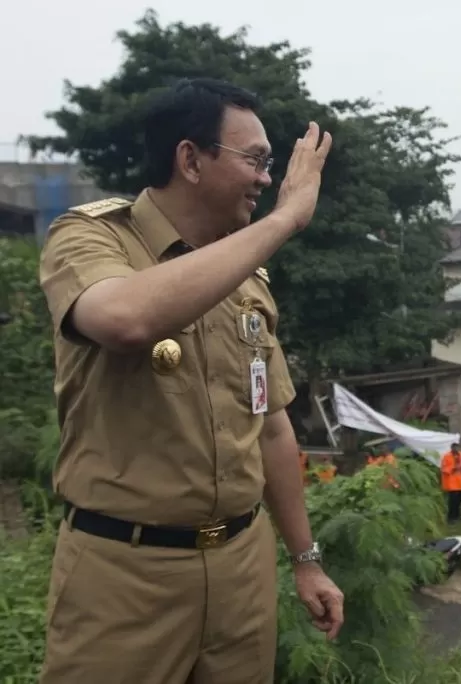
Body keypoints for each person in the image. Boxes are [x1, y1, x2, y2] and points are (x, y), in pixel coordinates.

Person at [35, 78, 344, 683]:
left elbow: (272, 427)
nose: (264, 178)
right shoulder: (91, 237)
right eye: (254, 160)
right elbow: (125, 318)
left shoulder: (246, 279)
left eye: (269, 165)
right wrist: (286, 219)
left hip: (241, 566)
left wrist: (306, 561)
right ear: (190, 159)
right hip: (124, 573)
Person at [440, 442, 461, 522]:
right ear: (451, 448)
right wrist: (454, 468)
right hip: (451, 483)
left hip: (460, 482)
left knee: (459, 499)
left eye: (457, 447)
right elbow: (444, 469)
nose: (456, 449)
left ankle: (458, 515)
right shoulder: (446, 456)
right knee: (453, 501)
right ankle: (451, 517)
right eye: (454, 447)